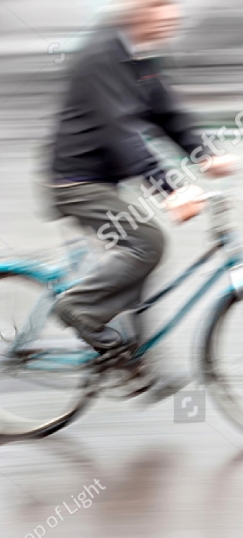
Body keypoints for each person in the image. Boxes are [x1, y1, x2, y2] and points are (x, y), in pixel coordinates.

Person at [49, 0, 236, 397]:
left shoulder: (139, 53)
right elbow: (120, 132)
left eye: (173, 4)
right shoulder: (102, 53)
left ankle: (131, 362)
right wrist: (170, 190)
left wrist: (206, 154)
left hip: (105, 180)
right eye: (161, 4)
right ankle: (78, 309)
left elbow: (167, 114)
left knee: (138, 261)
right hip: (75, 183)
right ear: (136, 8)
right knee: (147, 242)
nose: (172, 13)